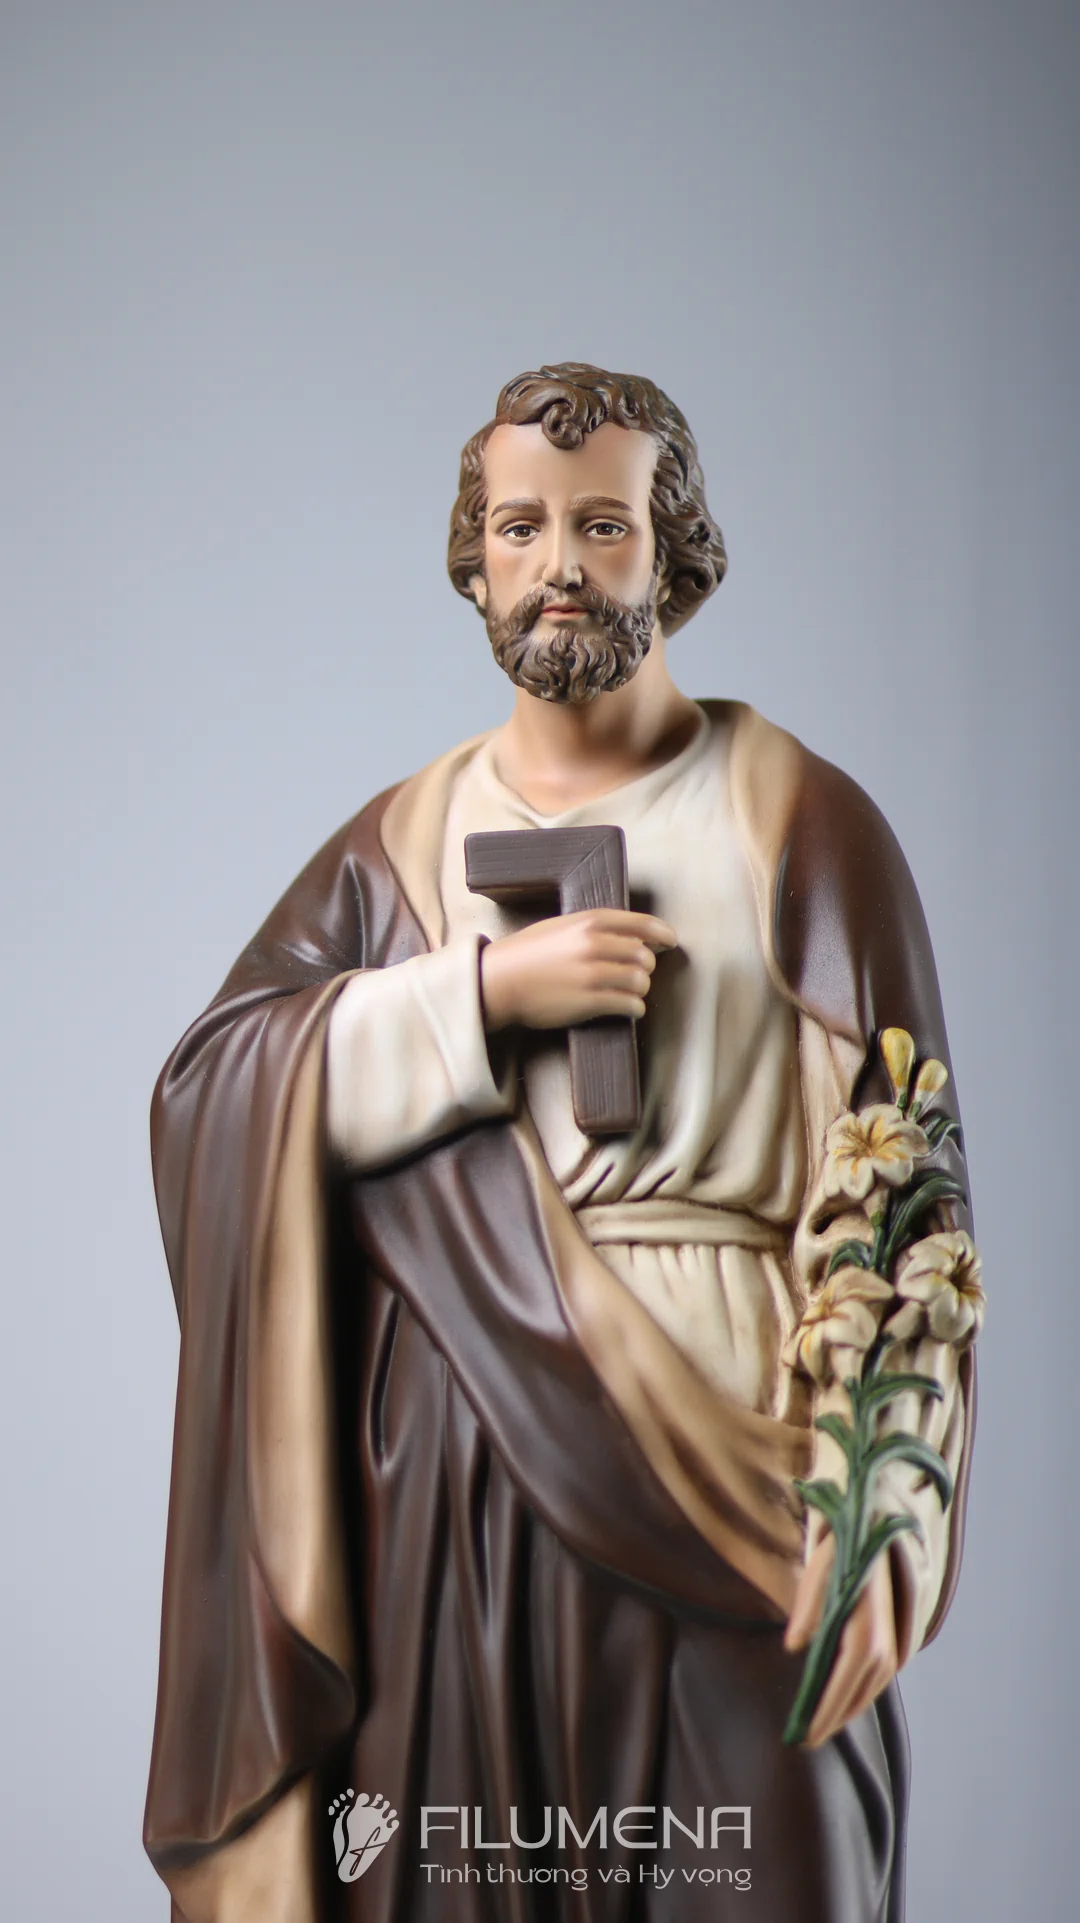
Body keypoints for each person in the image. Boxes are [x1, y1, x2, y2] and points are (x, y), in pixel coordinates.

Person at [144, 364, 976, 1922]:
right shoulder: (398, 848)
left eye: (603, 524)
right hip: (455, 1493)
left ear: (676, 552)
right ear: (475, 560)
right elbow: (212, 1094)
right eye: (520, 527)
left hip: (745, 1476)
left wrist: (891, 1509)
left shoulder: (801, 821)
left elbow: (910, 1200)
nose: (560, 567)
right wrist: (479, 996)